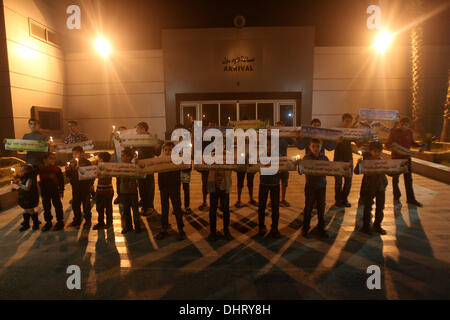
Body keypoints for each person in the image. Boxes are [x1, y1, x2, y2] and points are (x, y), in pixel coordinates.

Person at [385, 117, 422, 207]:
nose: (404, 126)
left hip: (406, 159)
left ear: (409, 125)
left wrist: (419, 145)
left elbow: (412, 142)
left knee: (408, 180)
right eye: (402, 124)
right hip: (396, 159)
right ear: (399, 124)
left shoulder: (410, 132)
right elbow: (388, 144)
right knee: (395, 179)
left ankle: (411, 199)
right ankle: (396, 197)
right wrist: (392, 146)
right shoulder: (394, 132)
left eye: (406, 125)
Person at [354, 141, 388, 235]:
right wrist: (359, 164)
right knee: (368, 207)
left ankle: (377, 225)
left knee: (380, 208)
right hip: (369, 188)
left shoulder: (383, 161)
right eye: (375, 151)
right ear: (371, 151)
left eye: (379, 152)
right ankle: (366, 227)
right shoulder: (366, 162)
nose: (377, 154)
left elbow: (390, 172)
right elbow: (356, 172)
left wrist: (398, 168)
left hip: (381, 188)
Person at [154, 142, 186, 240]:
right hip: (164, 188)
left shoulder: (177, 161)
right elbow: (157, 172)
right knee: (164, 209)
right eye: (166, 150)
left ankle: (181, 229)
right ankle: (164, 228)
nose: (168, 152)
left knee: (177, 208)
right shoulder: (161, 161)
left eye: (170, 150)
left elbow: (186, 169)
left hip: (174, 188)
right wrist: (160, 187)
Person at [301, 139, 329, 238]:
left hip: (321, 186)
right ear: (309, 147)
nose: (316, 148)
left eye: (318, 146)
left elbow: (329, 170)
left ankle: (321, 228)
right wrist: (299, 164)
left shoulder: (325, 158)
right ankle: (305, 228)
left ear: (321, 147)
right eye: (313, 146)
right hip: (310, 186)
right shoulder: (306, 158)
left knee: (321, 208)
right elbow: (301, 171)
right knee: (308, 208)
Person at [134, 122, 162, 216]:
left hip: (149, 166)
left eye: (138, 129)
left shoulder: (151, 139)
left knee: (149, 186)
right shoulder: (137, 139)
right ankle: (144, 206)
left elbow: (157, 153)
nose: (136, 131)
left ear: (143, 129)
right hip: (140, 165)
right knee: (141, 186)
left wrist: (158, 146)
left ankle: (150, 207)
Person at [257, 136, 281, 239]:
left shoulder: (279, 156)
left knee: (275, 208)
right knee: (261, 207)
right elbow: (255, 167)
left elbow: (284, 167)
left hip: (275, 185)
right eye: (267, 145)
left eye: (271, 145)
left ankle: (274, 228)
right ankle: (261, 226)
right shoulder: (261, 156)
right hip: (263, 184)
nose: (269, 147)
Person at [65, 146, 94, 228]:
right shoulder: (71, 163)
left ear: (82, 153)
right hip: (75, 186)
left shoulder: (87, 162)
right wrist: (68, 171)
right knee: (76, 204)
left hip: (85, 186)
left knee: (86, 204)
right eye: (73, 154)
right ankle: (77, 219)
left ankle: (88, 220)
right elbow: (69, 176)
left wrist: (91, 184)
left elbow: (91, 174)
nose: (74, 155)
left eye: (76, 154)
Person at [39, 152, 65, 232]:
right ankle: (48, 222)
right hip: (45, 191)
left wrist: (61, 190)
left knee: (58, 206)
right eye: (51, 158)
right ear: (44, 160)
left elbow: (61, 180)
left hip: (55, 191)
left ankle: (60, 222)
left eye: (54, 158)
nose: (53, 159)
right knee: (46, 207)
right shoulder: (40, 168)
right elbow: (31, 173)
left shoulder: (57, 169)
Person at [119, 148, 142, 233]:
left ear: (129, 157)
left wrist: (137, 165)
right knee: (125, 210)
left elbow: (140, 175)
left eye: (123, 156)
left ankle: (137, 226)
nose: (121, 157)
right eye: (121, 156)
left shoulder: (134, 166)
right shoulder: (120, 166)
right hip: (123, 191)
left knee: (135, 210)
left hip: (133, 191)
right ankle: (128, 226)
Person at [207, 165, 232, 241]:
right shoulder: (212, 158)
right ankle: (213, 232)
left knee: (226, 210)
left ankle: (226, 230)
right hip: (213, 186)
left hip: (225, 186)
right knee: (212, 210)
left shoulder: (228, 158)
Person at [334, 113, 354, 208]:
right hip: (338, 158)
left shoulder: (351, 132)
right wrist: (337, 141)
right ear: (342, 121)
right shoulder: (337, 131)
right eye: (346, 121)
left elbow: (358, 142)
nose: (348, 123)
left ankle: (344, 199)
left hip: (348, 158)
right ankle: (338, 200)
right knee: (338, 181)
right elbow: (331, 144)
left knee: (348, 181)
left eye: (350, 122)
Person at [13, 164, 41, 231]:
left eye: (22, 171)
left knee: (31, 211)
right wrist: (16, 189)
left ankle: (36, 223)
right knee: (25, 211)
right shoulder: (24, 178)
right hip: (24, 198)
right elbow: (22, 187)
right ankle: (26, 224)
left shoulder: (30, 179)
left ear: (27, 172)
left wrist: (18, 184)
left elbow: (26, 188)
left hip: (29, 198)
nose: (21, 172)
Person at [94, 152, 114, 230]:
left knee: (108, 208)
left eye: (99, 158)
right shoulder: (99, 166)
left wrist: (97, 167)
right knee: (99, 207)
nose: (98, 159)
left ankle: (109, 222)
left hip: (107, 190)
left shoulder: (109, 167)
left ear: (102, 159)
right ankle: (101, 222)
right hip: (100, 190)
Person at [276, 121, 294, 207]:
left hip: (284, 162)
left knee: (284, 181)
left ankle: (282, 199)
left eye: (281, 127)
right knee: (274, 181)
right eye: (277, 127)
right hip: (275, 162)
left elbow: (294, 142)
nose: (279, 129)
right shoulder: (272, 137)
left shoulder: (286, 137)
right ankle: (272, 200)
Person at [111, 126, 127, 205]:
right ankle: (120, 196)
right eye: (120, 132)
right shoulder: (115, 140)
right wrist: (111, 137)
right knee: (118, 181)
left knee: (127, 180)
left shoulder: (128, 140)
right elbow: (110, 146)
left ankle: (127, 197)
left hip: (127, 164)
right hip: (117, 163)